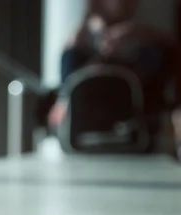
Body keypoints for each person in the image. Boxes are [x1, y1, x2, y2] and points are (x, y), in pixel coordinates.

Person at [36, 0, 181, 159]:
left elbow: (169, 54)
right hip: (88, 122)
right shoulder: (82, 43)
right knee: (73, 55)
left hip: (136, 120)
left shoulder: (147, 42)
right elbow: (68, 64)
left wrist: (131, 34)